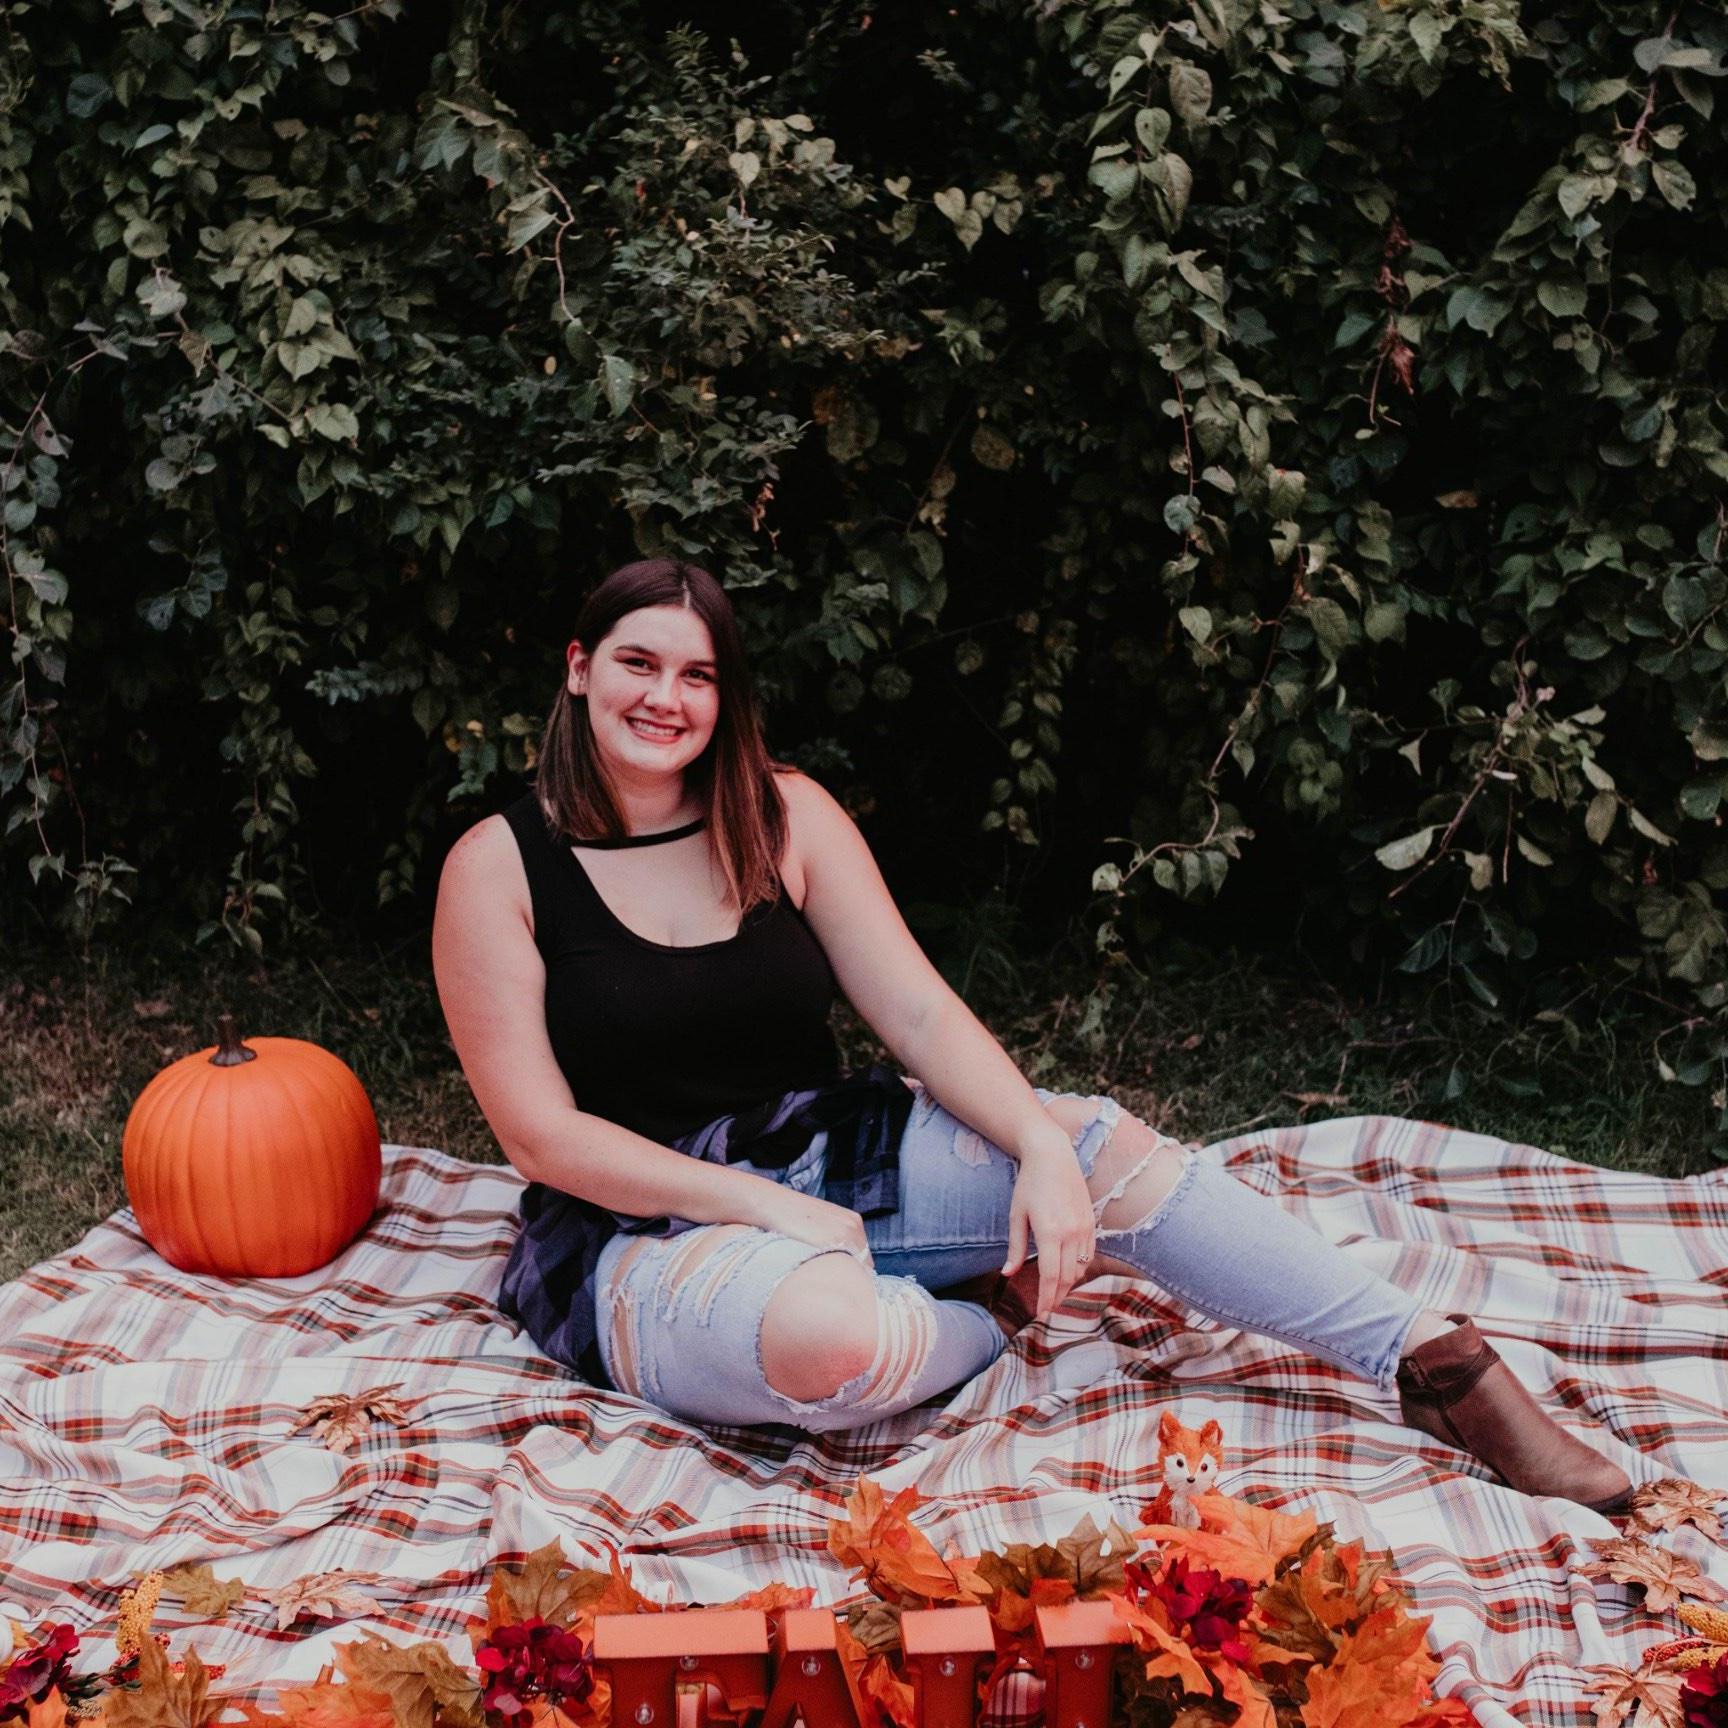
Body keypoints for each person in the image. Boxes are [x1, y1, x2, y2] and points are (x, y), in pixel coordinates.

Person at [432, 557, 1634, 1514]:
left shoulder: (782, 814)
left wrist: (1043, 1146)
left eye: (698, 675)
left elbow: (915, 1010)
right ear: (580, 669)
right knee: (830, 1339)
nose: (667, 698)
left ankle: (1435, 1363)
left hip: (820, 1152)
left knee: (1098, 1148)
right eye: (638, 663)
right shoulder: (498, 868)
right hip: (633, 1224)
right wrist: (764, 1212)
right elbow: (541, 1137)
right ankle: (992, 1314)